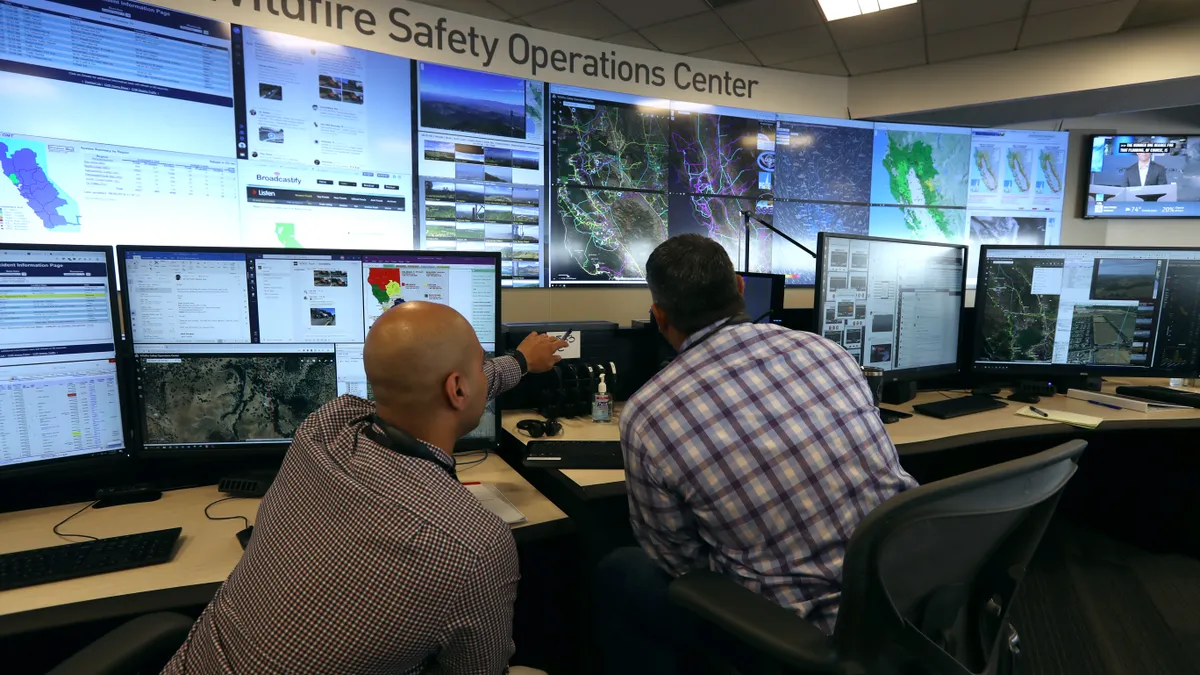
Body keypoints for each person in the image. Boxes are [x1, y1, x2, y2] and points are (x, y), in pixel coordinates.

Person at [163, 303, 566, 674]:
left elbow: (443, 386)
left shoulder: (322, 430)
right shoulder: (473, 545)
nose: (485, 372)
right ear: (458, 388)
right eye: (481, 365)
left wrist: (519, 363)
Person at [597, 235, 917, 674]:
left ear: (659, 317)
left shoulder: (647, 415)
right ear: (741, 288)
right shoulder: (828, 352)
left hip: (804, 644)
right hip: (909, 606)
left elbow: (679, 565)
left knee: (621, 570)